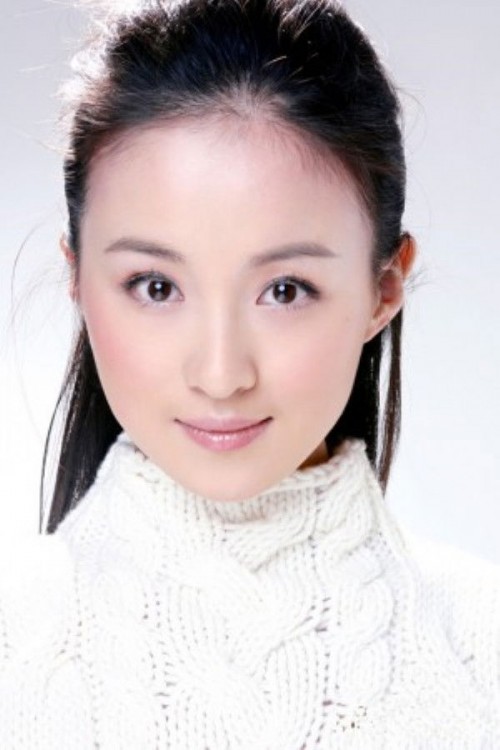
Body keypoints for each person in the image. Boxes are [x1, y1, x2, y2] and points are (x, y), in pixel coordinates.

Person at [0, 0, 499, 746]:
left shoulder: (481, 650)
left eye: (285, 290)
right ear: (77, 276)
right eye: (156, 287)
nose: (221, 373)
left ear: (384, 288)